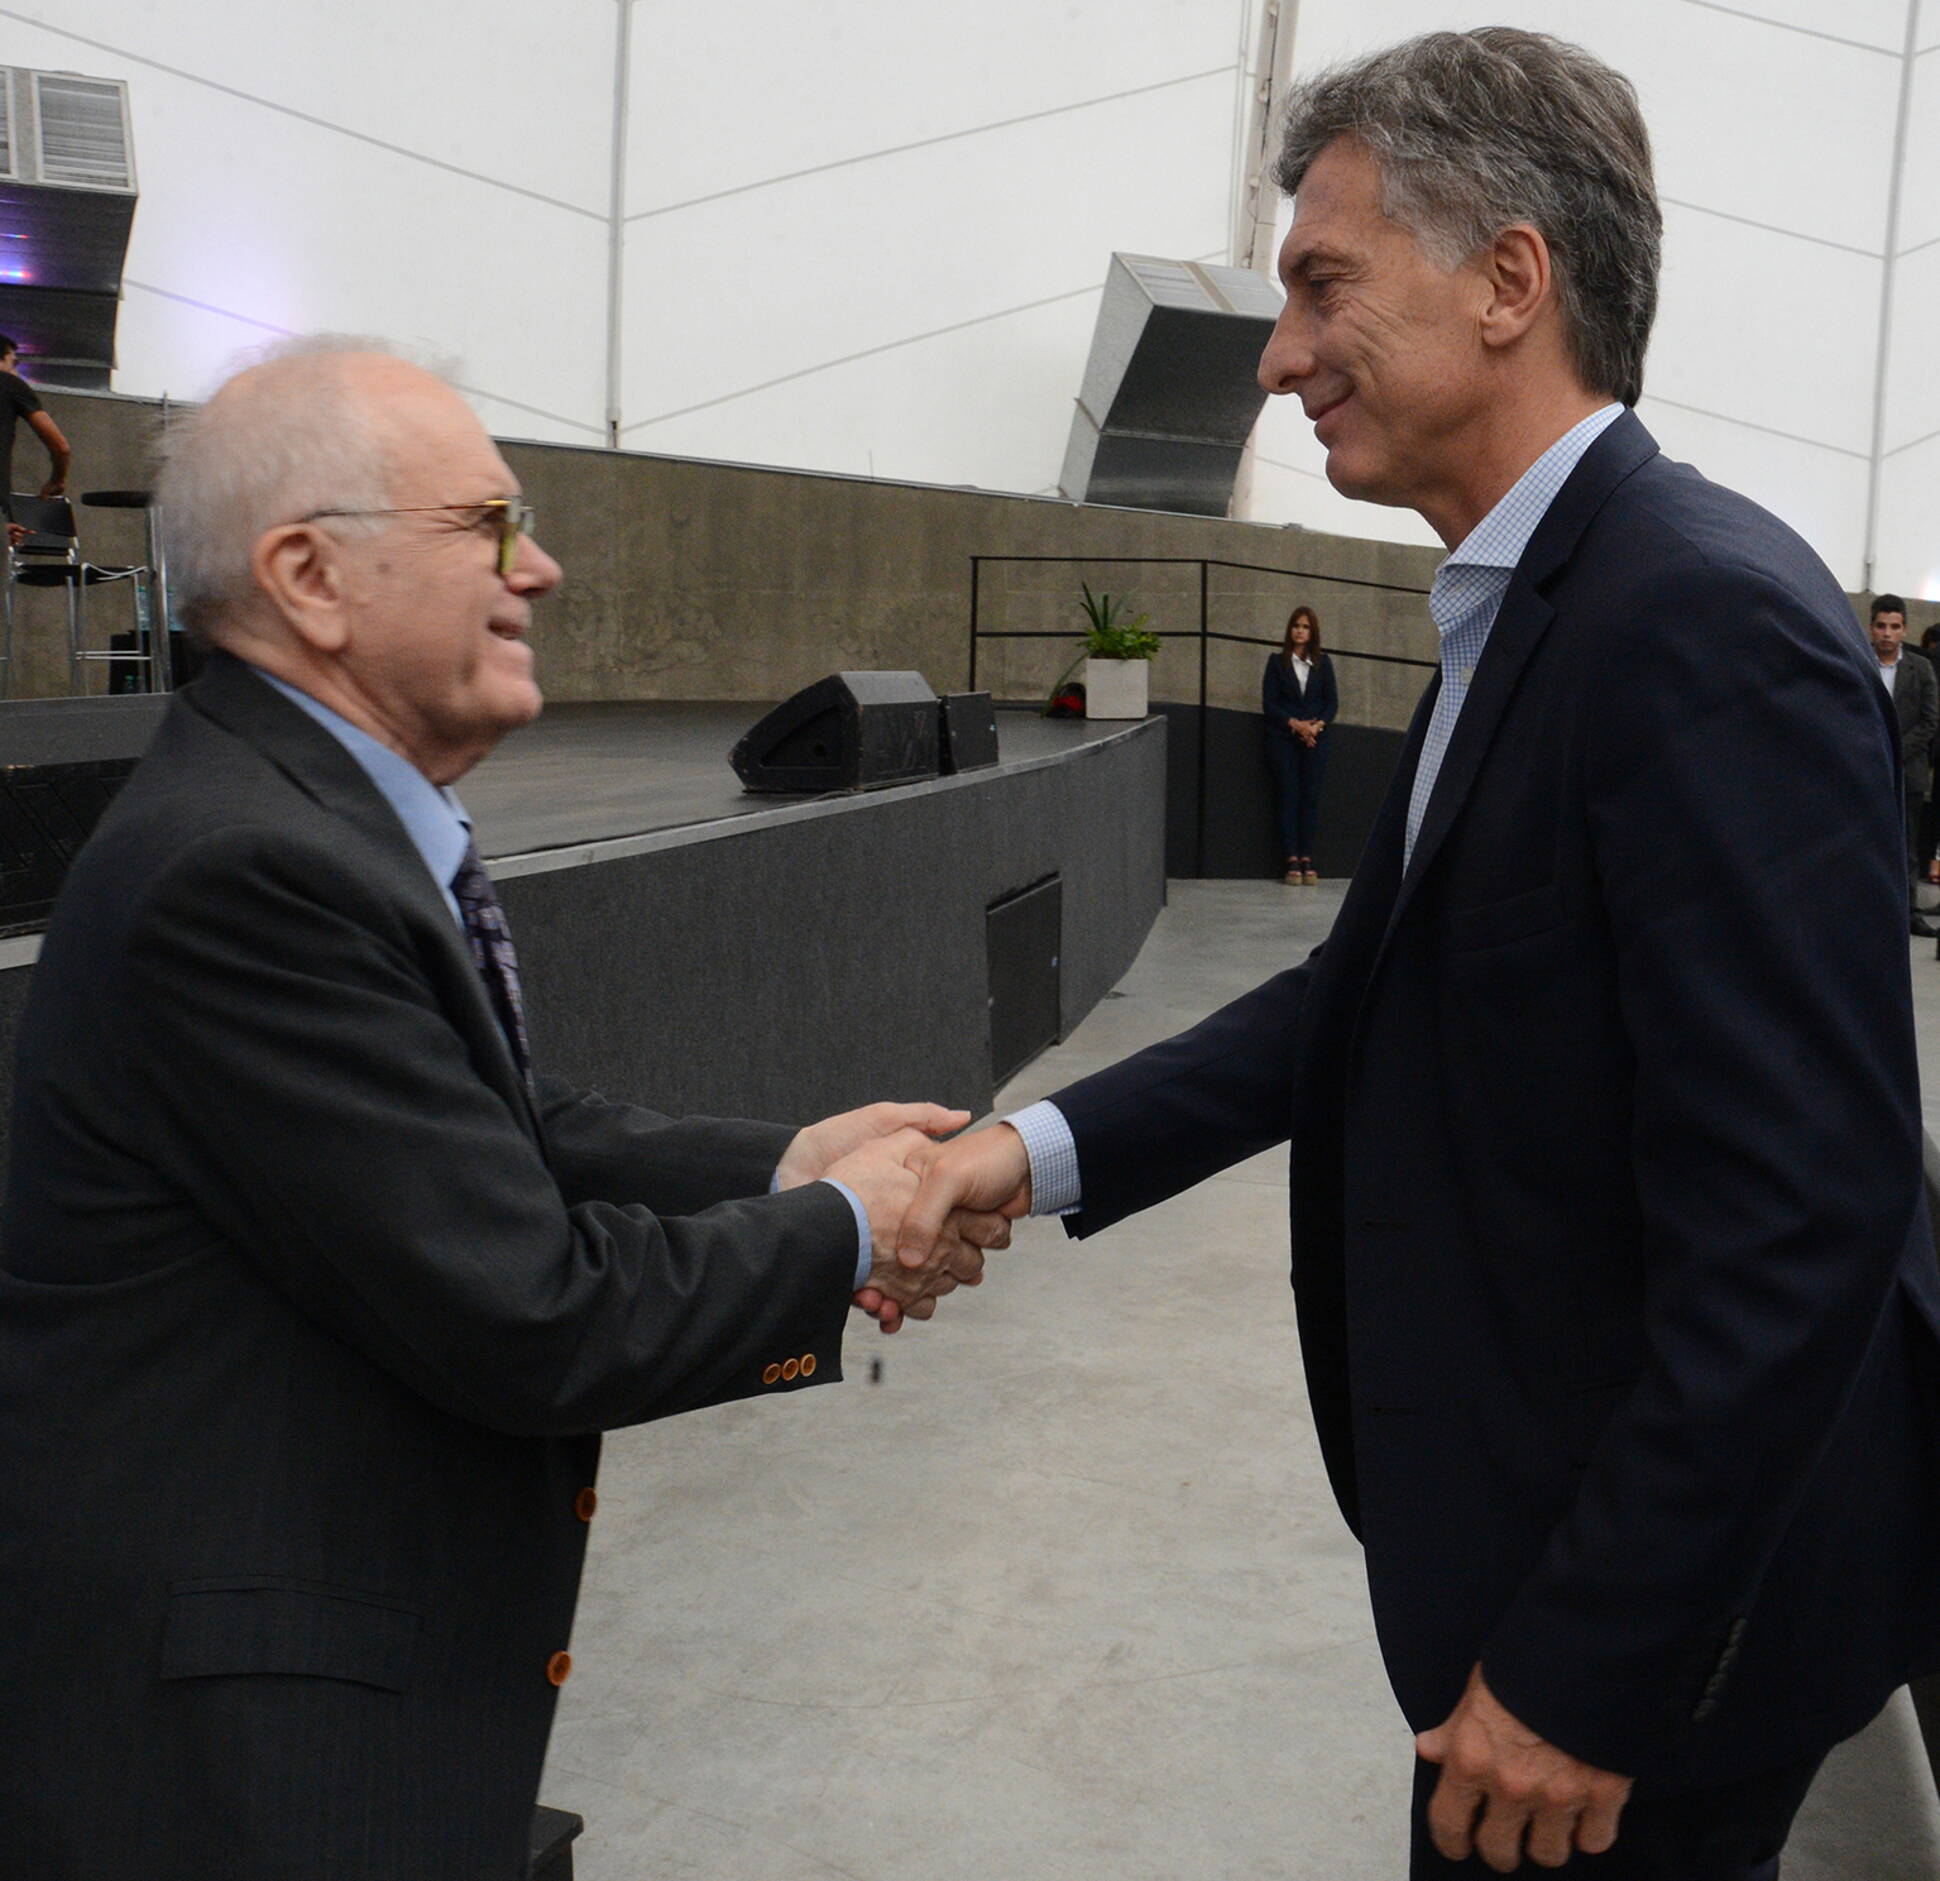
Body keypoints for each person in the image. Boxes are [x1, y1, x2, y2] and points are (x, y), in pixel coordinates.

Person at [890, 29, 1940, 1879]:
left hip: (1633, 1668)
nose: (1283, 352)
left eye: (1320, 282)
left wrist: (1586, 1673)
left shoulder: (1693, 620)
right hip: (1550, 1587)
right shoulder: (1536, 599)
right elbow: (1363, 998)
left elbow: (1802, 1210)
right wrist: (1022, 1155)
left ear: (1509, 282)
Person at [0, 339, 995, 1880]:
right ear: (311, 575)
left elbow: (491, 1126)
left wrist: (789, 1161)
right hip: (245, 1777)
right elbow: (531, 1308)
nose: (543, 566)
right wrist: (849, 1223)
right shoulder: (246, 874)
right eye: (490, 525)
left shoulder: (293, 822)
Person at [1870, 593, 1939, 935]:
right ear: (1871, 628)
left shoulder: (1921, 667)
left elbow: (1929, 721)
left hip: (1907, 771)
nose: (1887, 633)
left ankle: (1910, 911)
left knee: (1907, 843)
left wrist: (1895, 750)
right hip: (1865, 767)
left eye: (1894, 627)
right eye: (1881, 626)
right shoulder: (1858, 661)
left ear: (1904, 630)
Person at [1262, 603, 1338, 885]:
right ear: (1290, 630)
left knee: (1310, 798)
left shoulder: (1323, 663)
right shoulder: (1276, 662)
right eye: (1296, 626)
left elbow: (1332, 703)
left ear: (1312, 631)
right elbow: (1270, 703)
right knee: (1288, 796)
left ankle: (1307, 856)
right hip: (1284, 739)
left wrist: (1315, 727)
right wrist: (1296, 725)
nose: (1300, 631)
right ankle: (1291, 858)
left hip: (1315, 741)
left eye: (1305, 626)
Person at [0, 333, 71, 546]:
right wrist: (56, 480)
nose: (15, 369)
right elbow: (61, 447)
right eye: (14, 362)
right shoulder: (10, 384)